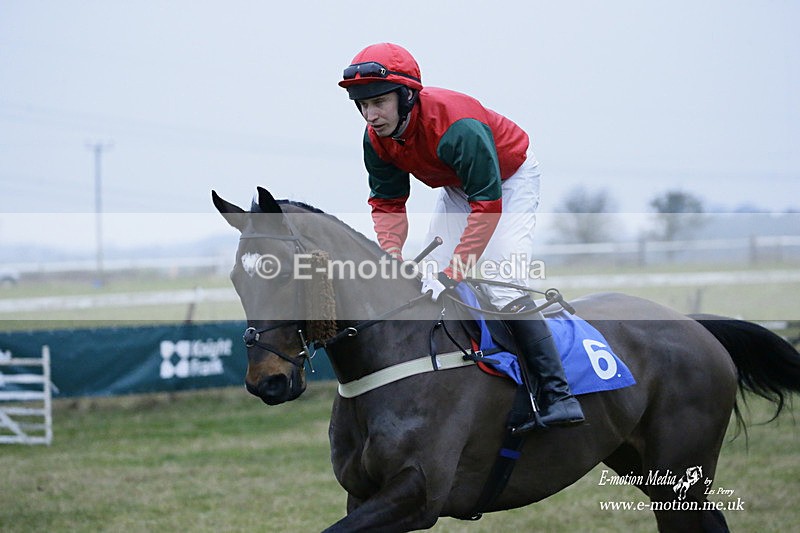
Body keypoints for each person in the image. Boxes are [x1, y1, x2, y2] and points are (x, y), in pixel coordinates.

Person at [339, 42, 583, 430]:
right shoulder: (376, 139)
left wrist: (455, 270)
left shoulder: (458, 127)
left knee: (502, 287)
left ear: (406, 96)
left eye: (379, 102)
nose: (371, 115)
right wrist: (392, 253)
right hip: (458, 187)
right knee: (425, 282)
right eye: (362, 105)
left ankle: (558, 395)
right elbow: (387, 203)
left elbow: (487, 207)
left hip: (509, 179)